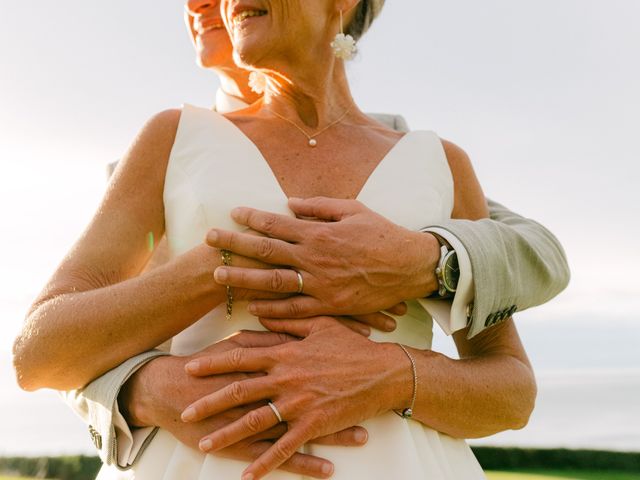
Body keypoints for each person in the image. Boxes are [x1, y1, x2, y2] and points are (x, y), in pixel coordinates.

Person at [12, 0, 567, 478]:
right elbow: (38, 355)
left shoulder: (440, 164)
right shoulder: (168, 141)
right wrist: (222, 269)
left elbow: (511, 388)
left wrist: (395, 374)